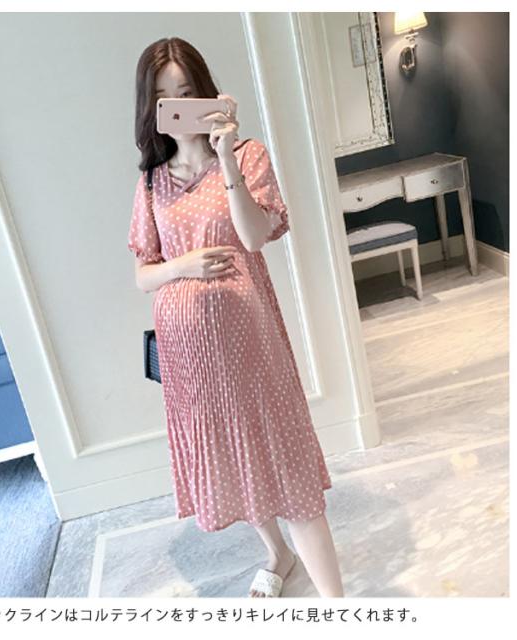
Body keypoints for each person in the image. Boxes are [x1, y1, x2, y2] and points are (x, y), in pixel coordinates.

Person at [127, 36, 343, 598]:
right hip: (190, 362)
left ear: (207, 92)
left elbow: (254, 236)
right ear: (149, 106)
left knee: (288, 472)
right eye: (164, 97)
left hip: (250, 345)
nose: (178, 105)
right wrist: (185, 265)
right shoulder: (151, 182)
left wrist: (224, 159)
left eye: (187, 92)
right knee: (234, 463)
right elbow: (143, 274)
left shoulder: (246, 156)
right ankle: (277, 555)